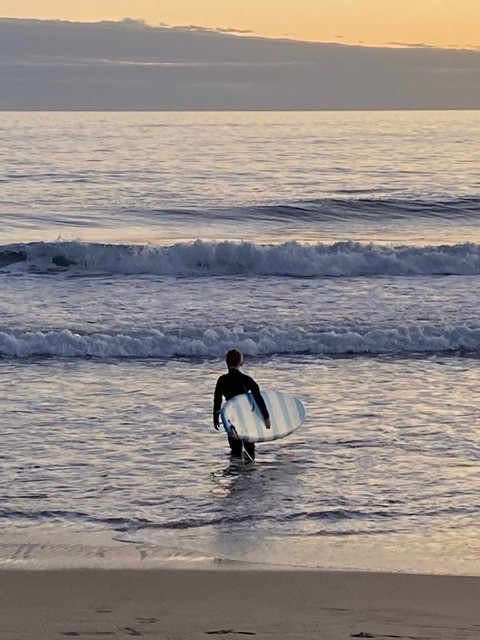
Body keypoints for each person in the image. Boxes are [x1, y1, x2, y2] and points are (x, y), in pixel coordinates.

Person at [213, 349, 270, 460]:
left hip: (232, 417)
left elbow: (217, 400)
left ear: (226, 362)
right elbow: (258, 398)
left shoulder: (222, 380)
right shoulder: (246, 379)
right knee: (249, 448)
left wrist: (216, 417)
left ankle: (235, 469)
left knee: (235, 449)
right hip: (246, 417)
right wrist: (266, 416)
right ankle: (249, 467)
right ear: (241, 362)